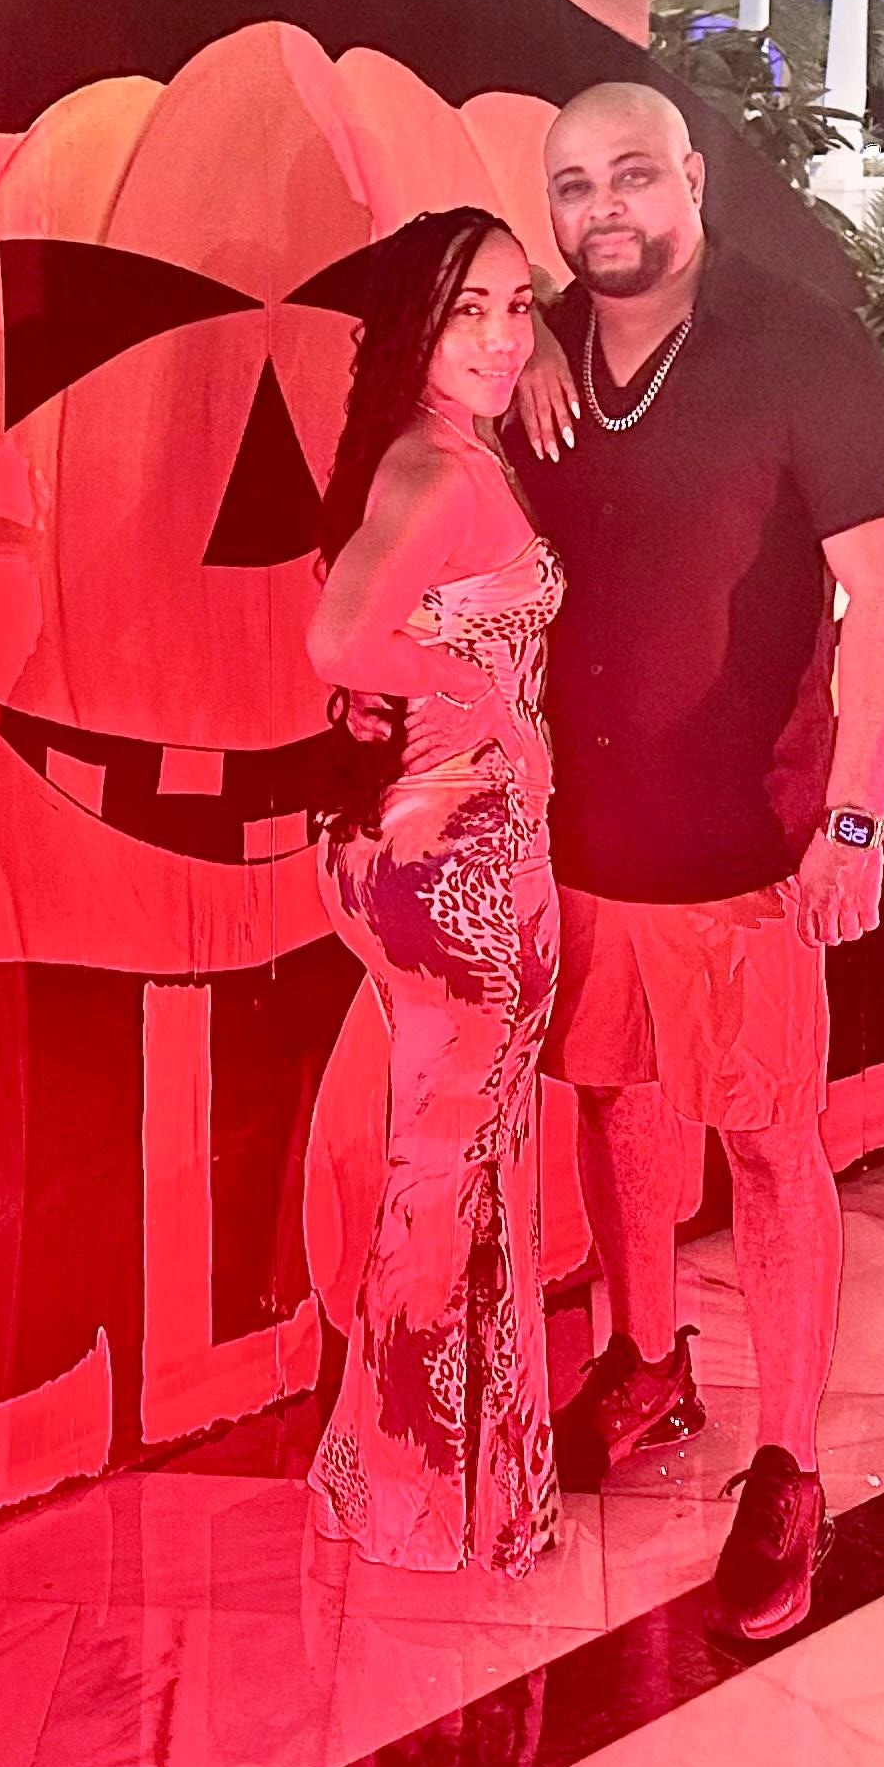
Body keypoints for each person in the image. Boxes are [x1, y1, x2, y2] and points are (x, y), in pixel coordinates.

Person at [507, 84, 884, 1643]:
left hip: (750, 836)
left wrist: (856, 817)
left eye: (633, 174)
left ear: (693, 177)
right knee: (612, 1102)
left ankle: (790, 1465)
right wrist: (529, 336)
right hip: (584, 830)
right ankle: (645, 1364)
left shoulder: (800, 346)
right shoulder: (539, 349)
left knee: (764, 1143)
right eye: (573, 186)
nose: (604, 208)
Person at [300, 207, 565, 1575]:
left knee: (454, 1171)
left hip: (435, 849)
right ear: (419, 324)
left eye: (520, 306)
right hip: (454, 865)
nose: (504, 338)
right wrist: (490, 704)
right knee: (448, 1181)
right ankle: (402, 1497)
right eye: (472, 311)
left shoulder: (449, 446)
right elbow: (341, 638)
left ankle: (434, 1489)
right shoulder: (435, 471)